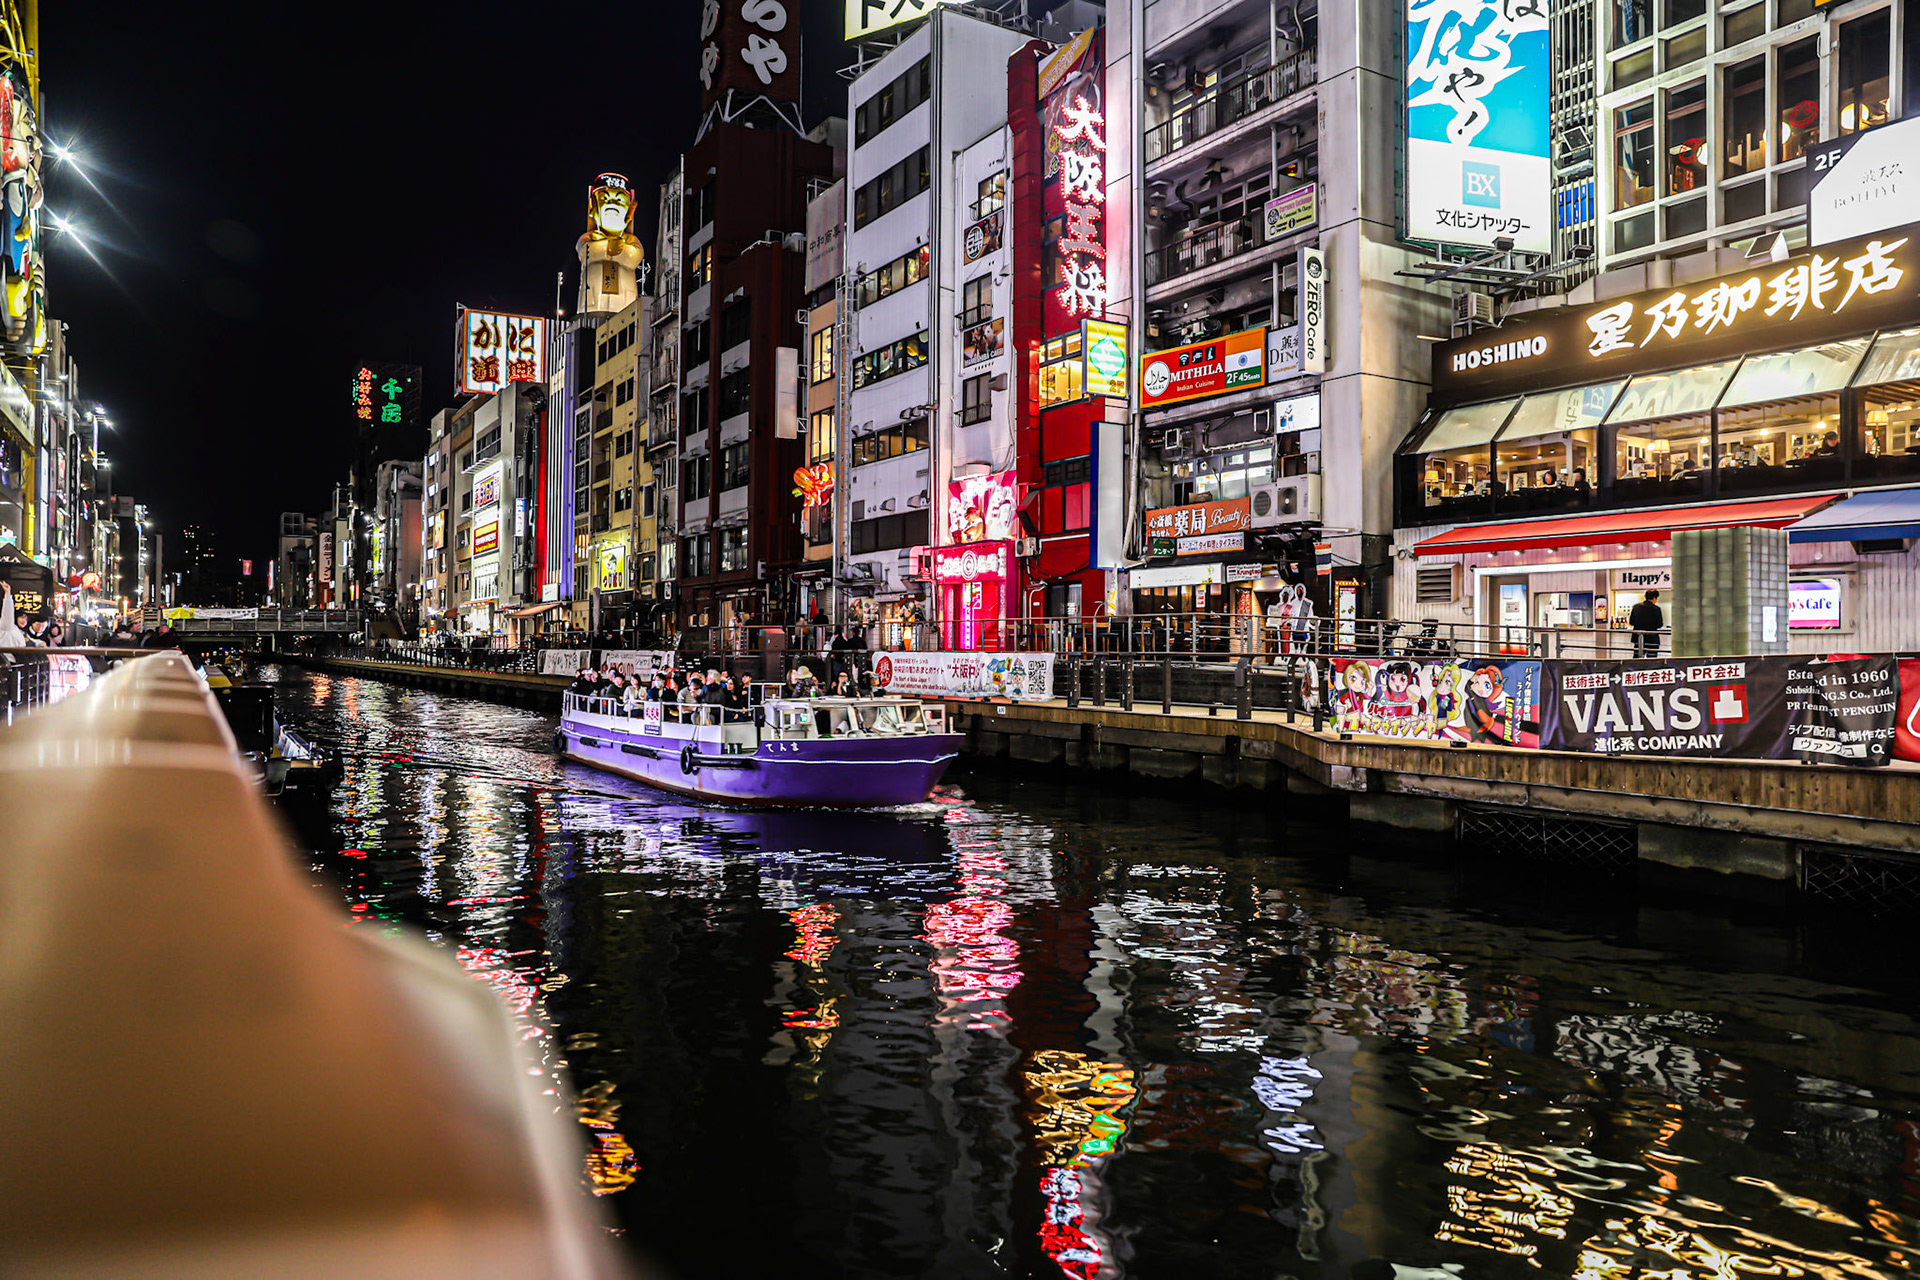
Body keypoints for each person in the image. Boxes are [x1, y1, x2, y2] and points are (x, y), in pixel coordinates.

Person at [1629, 589, 1664, 658]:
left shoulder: (1636, 607)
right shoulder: (1656, 609)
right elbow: (1659, 624)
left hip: (1638, 638)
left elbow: (1631, 622)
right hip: (1652, 638)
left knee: (1637, 659)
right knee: (1651, 659)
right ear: (1655, 598)